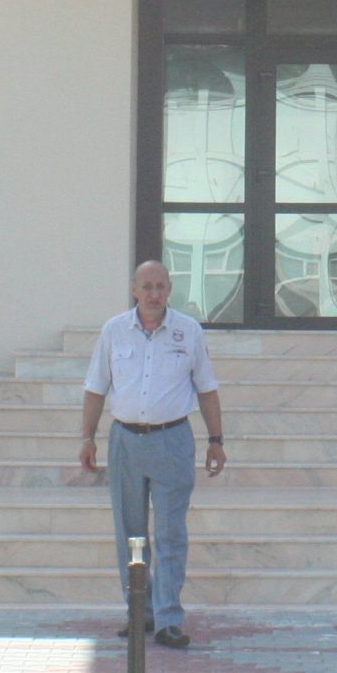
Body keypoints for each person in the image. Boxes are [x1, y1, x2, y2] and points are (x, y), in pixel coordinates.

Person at [78, 260, 225, 648]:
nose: (154, 294)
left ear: (169, 290)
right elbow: (96, 388)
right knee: (131, 533)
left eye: (161, 286)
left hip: (172, 441)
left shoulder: (187, 331)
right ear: (134, 289)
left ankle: (168, 618)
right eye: (147, 287)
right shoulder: (114, 331)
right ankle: (138, 612)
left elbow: (207, 388)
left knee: (171, 533)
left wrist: (216, 440)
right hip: (125, 442)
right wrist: (87, 438)